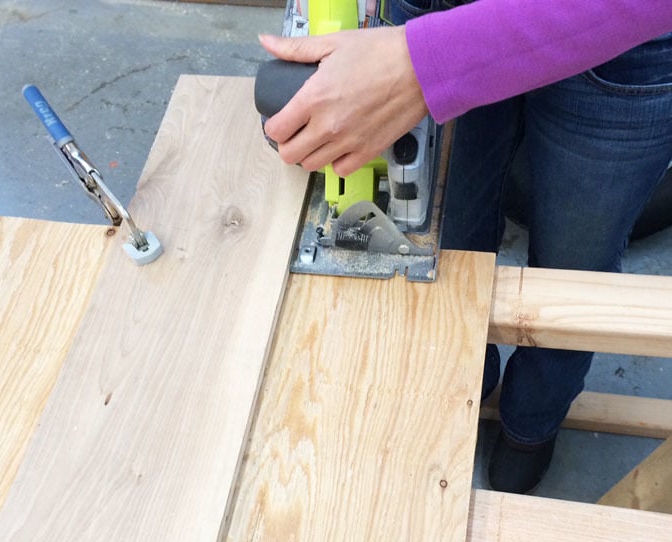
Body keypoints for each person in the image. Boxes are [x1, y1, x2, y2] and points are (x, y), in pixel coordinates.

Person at [259, 0, 672, 493]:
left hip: (621, 45)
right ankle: (469, 390)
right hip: (440, 10)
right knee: (448, 243)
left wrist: (425, 64)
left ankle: (530, 425)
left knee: (574, 271)